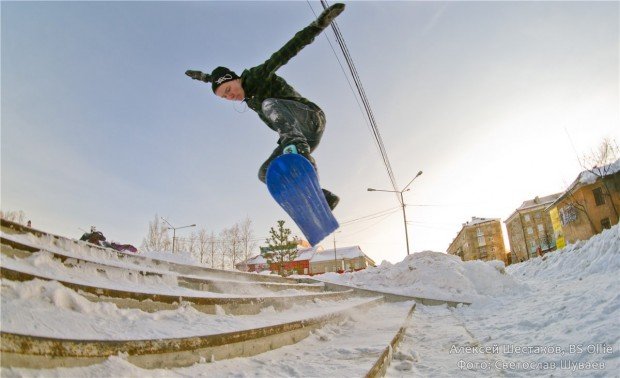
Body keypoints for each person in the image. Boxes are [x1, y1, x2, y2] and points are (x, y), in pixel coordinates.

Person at [185, 3, 345, 210]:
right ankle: (319, 196)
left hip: (310, 119)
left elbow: (288, 50)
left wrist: (318, 25)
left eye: (228, 90)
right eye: (224, 98)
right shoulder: (246, 95)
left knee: (269, 104)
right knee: (267, 173)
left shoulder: (258, 75)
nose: (230, 97)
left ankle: (301, 157)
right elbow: (219, 80)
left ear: (234, 79)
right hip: (300, 137)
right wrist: (205, 78)